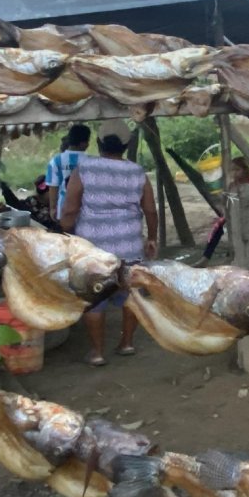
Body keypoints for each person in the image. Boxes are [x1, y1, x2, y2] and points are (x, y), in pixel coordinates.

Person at [59, 120, 159, 367]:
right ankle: (127, 343)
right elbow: (150, 210)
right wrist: (152, 237)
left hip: (93, 247)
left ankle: (97, 352)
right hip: (129, 245)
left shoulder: (84, 169)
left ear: (98, 142)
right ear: (126, 144)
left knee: (94, 298)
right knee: (129, 294)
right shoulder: (137, 172)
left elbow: (70, 209)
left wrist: (65, 232)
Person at [195, 157, 249, 267]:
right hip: (233, 215)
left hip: (248, 216)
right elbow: (228, 203)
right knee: (218, 228)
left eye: (237, 169)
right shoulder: (232, 185)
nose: (234, 173)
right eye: (232, 170)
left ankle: (236, 256)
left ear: (245, 170)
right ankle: (205, 258)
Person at [45, 124, 91, 220]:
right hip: (86, 209)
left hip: (63, 208)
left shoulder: (56, 161)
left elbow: (53, 187)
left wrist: (53, 208)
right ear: (84, 143)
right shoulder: (91, 161)